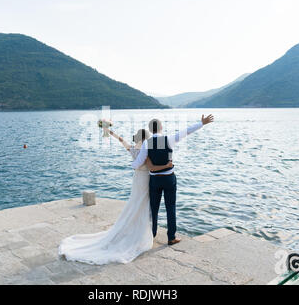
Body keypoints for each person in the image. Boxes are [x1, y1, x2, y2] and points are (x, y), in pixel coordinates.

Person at [58, 128, 172, 265]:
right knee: (143, 205)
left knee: (136, 204)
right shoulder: (147, 152)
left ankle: (138, 230)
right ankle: (142, 233)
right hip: (145, 181)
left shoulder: (134, 150)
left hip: (137, 181)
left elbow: (121, 140)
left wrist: (110, 132)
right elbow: (153, 166)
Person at [131, 114, 214, 245]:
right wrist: (201, 123)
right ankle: (171, 237)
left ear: (150, 130)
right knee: (171, 207)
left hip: (155, 181)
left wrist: (134, 164)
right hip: (169, 178)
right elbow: (187, 131)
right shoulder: (169, 139)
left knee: (154, 208)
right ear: (161, 127)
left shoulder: (147, 143)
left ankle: (151, 235)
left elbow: (138, 163)